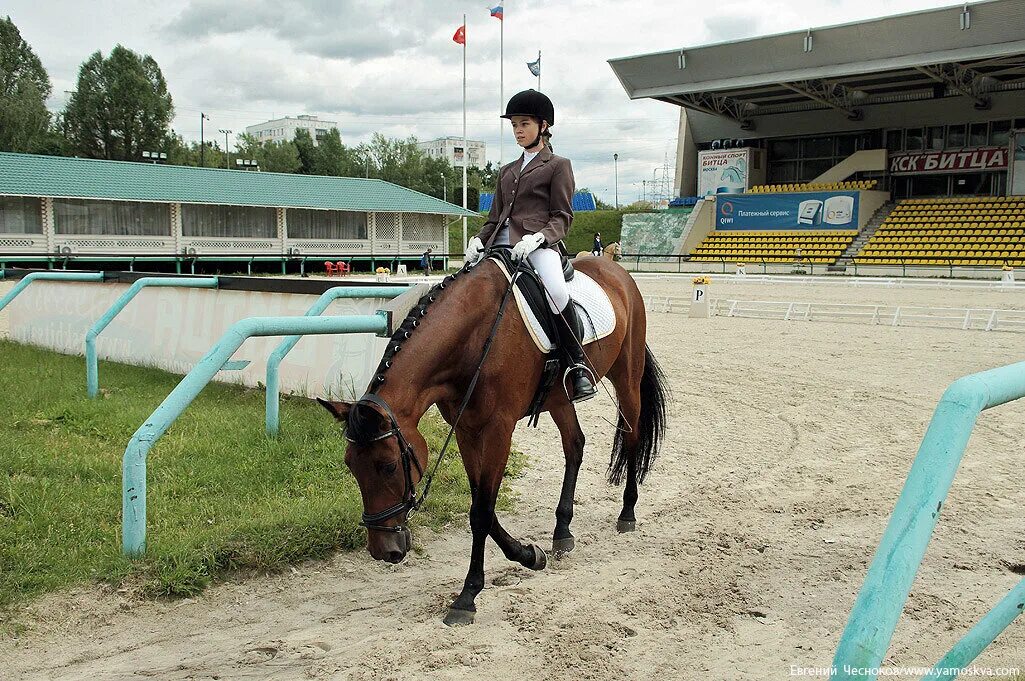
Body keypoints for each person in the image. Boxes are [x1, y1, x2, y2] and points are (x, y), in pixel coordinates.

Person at [463, 89, 596, 402]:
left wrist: (539, 238)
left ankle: (576, 366)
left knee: (556, 291)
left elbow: (562, 216)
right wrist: (478, 240)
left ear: (543, 126)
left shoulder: (558, 165)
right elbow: (494, 218)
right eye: (514, 126)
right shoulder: (507, 170)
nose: (518, 130)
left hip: (538, 245)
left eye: (524, 124)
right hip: (499, 245)